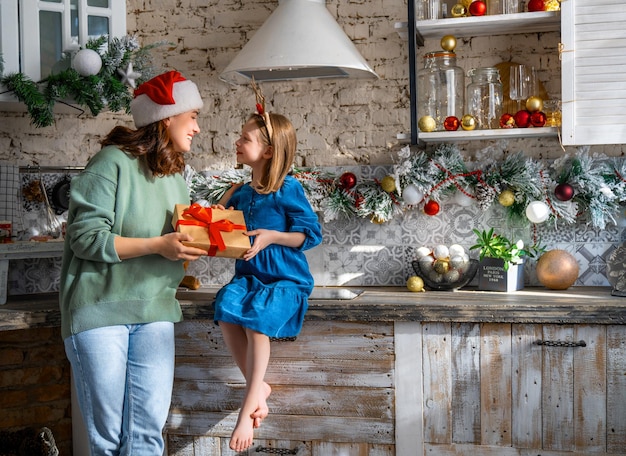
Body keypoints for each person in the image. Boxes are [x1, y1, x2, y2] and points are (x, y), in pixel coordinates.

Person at [60, 70, 209, 455]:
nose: (196, 127)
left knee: (147, 436)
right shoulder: (109, 163)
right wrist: (159, 245)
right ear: (167, 117)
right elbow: (85, 238)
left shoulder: (175, 175)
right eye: (191, 116)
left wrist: (201, 237)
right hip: (100, 311)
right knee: (106, 440)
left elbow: (169, 243)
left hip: (154, 309)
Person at [214, 88, 323, 452]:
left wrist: (273, 236)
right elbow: (220, 230)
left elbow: (311, 234)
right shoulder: (241, 192)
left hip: (284, 280)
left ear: (269, 150)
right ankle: (258, 388)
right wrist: (222, 205)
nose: (237, 142)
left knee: (257, 319)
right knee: (226, 309)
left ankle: (247, 410)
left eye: (245, 138)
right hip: (248, 277)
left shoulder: (286, 189)